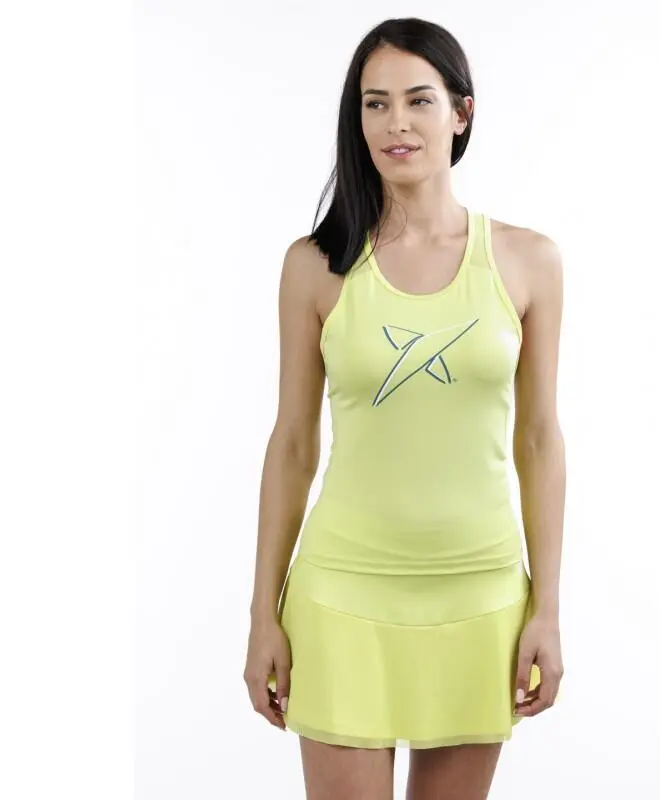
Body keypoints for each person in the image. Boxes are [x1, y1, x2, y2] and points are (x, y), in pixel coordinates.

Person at [244, 16, 566, 800]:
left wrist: (547, 608)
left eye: (419, 100)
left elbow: (538, 440)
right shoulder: (315, 267)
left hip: (481, 598)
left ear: (461, 113)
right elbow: (293, 443)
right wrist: (262, 613)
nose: (396, 123)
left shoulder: (528, 261)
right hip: (341, 596)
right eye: (375, 103)